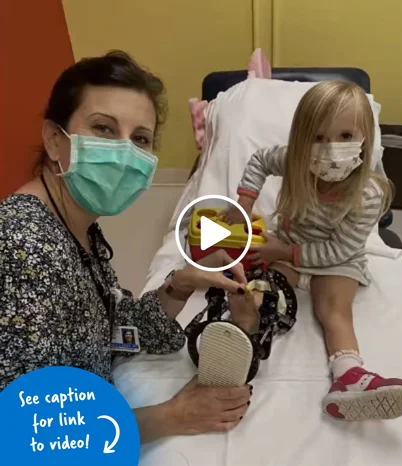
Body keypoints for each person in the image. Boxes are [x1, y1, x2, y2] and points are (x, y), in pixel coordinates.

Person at [0, 50, 257, 442]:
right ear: (54, 140)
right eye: (104, 128)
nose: (124, 153)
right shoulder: (23, 247)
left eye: (140, 138)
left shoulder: (78, 228)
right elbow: (31, 435)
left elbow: (112, 328)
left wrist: (179, 286)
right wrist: (175, 415)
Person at [224, 80, 402, 421]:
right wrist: (243, 206)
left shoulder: (368, 193)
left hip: (337, 260)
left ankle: (350, 376)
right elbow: (258, 162)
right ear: (301, 140)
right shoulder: (294, 162)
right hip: (285, 248)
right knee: (265, 292)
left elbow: (341, 249)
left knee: (334, 310)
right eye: (318, 137)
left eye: (345, 136)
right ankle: (243, 341)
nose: (330, 150)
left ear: (365, 139)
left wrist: (283, 251)